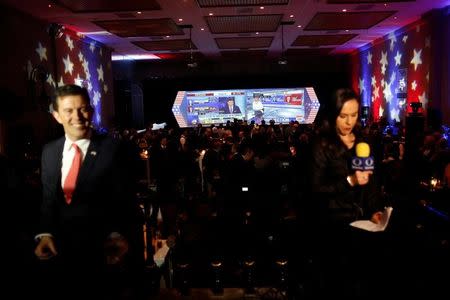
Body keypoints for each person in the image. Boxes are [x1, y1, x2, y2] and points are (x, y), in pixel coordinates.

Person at [34, 84, 142, 298]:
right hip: (61, 255)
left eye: (82, 109)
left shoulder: (116, 149)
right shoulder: (49, 151)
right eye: (68, 111)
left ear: (91, 111)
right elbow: (48, 199)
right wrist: (45, 233)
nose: (77, 116)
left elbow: (125, 201)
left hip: (105, 254)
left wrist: (118, 235)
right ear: (57, 116)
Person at [309, 88, 386, 297]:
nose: (349, 122)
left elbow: (371, 182)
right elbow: (316, 191)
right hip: (332, 226)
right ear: (333, 114)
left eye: (354, 115)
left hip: (361, 223)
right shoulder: (321, 145)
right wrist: (349, 180)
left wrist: (375, 209)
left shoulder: (364, 142)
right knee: (336, 283)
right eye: (343, 116)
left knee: (361, 282)